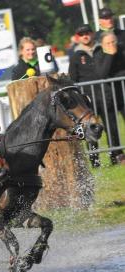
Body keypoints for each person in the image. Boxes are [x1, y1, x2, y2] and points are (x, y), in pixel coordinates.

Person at [69, 24, 124, 166]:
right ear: (77, 37)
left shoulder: (102, 49)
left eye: (87, 33)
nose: (85, 36)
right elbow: (73, 78)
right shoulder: (76, 56)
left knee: (112, 127)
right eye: (81, 34)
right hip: (88, 100)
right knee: (91, 129)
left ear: (92, 34)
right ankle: (94, 160)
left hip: (106, 95)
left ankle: (116, 156)